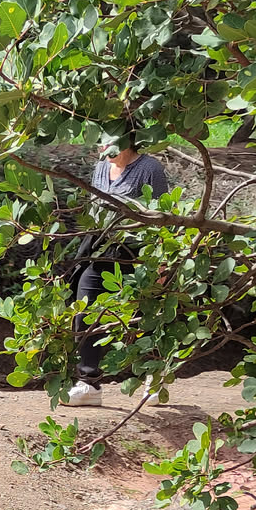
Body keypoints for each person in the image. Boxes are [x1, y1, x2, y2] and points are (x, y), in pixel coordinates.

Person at [65, 120, 169, 407]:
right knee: (85, 313)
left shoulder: (150, 169)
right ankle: (89, 384)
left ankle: (154, 377)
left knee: (145, 316)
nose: (103, 147)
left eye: (108, 141)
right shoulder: (101, 167)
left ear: (128, 140)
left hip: (137, 255)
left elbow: (165, 215)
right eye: (100, 141)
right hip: (99, 251)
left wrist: (161, 264)